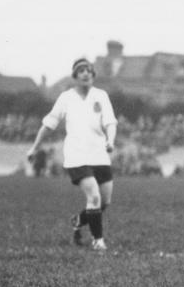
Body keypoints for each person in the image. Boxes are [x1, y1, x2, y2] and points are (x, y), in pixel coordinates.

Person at [28, 58, 118, 250]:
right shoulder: (66, 98)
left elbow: (110, 122)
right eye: (81, 70)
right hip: (76, 156)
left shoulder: (101, 96)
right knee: (93, 197)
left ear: (93, 76)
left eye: (89, 70)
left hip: (99, 154)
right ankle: (98, 241)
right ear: (75, 76)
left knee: (104, 202)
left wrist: (110, 140)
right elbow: (48, 124)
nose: (85, 73)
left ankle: (78, 220)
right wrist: (34, 148)